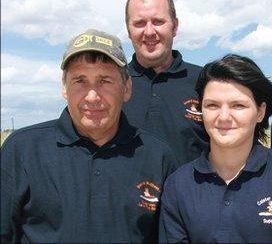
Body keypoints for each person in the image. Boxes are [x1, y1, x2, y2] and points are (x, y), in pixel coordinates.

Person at [0, 29, 178, 242]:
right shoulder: (22, 150)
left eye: (105, 81)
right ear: (64, 88)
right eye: (80, 81)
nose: (92, 96)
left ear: (127, 88)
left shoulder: (157, 157)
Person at [159, 54, 272, 243]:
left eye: (238, 105)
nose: (224, 116)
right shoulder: (178, 186)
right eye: (212, 105)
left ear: (260, 112)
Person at [123, 0, 208, 165]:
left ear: (175, 26)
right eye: (139, 23)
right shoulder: (114, 85)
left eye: (158, 21)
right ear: (129, 31)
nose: (149, 32)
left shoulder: (206, 82)